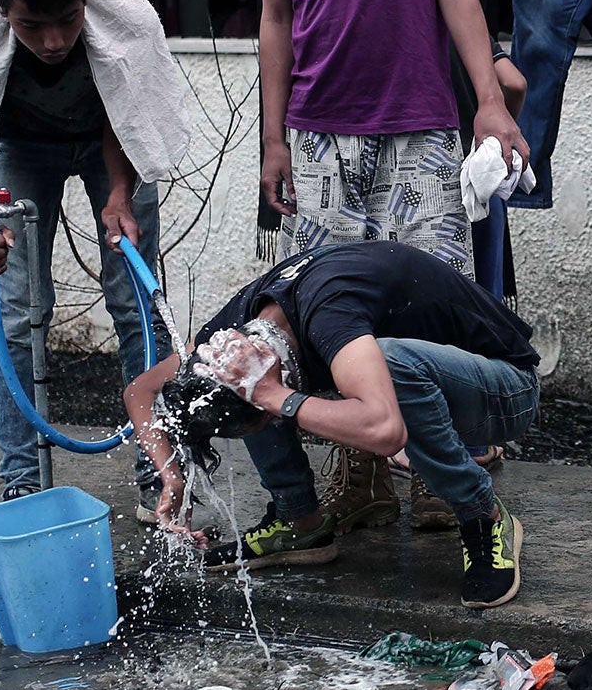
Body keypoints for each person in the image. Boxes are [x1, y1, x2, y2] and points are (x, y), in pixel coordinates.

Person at [244, 0, 529, 540]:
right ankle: (363, 476)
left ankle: (445, 476)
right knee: (332, 314)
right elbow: (275, 18)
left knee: (432, 306)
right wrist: (273, 139)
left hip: (418, 126)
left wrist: (487, 97)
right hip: (321, 136)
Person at [0, 0, 190, 514]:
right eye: (31, 26)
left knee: (137, 304)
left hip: (108, 140)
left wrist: (119, 194)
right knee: (16, 311)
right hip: (18, 149)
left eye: (67, 21)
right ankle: (23, 485)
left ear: (85, 1)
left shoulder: (123, 14)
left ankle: (161, 479)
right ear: (1, 11)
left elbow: (131, 112)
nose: (52, 41)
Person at [121, 240, 540, 607]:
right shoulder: (238, 331)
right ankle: (299, 522)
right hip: (429, 387)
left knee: (386, 365)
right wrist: (171, 477)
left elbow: (385, 429)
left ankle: (482, 513)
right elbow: (140, 392)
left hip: (505, 391)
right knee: (241, 381)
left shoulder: (329, 311)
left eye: (264, 419)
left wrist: (273, 397)